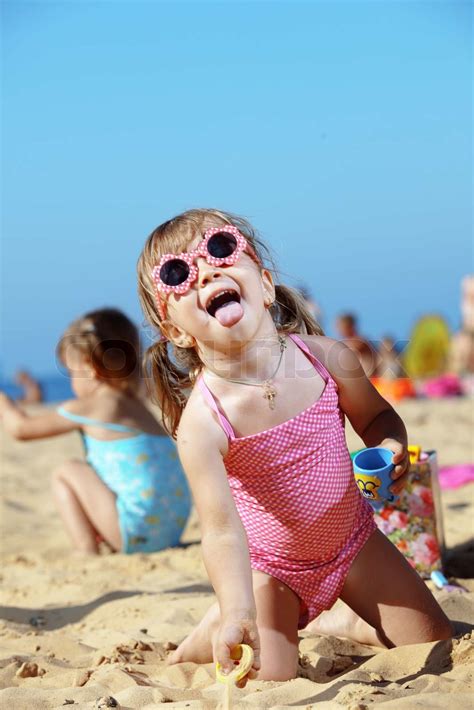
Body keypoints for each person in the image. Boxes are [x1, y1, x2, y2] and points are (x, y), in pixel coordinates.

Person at [137, 209, 452, 682]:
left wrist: (389, 447)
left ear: (264, 285)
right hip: (272, 570)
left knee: (437, 644)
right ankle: (215, 625)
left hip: (354, 542)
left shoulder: (327, 358)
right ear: (177, 331)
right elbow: (222, 532)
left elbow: (378, 417)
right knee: (272, 677)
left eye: (221, 248)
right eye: (178, 274)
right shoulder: (203, 424)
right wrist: (237, 609)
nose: (206, 269)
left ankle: (337, 617)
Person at [0, 308, 191, 555]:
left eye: (71, 373)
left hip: (135, 530)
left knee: (67, 472)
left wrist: (4, 401)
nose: (72, 382)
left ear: (90, 368)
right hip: (171, 529)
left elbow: (21, 429)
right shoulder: (137, 405)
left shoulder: (92, 406)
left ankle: (86, 549)